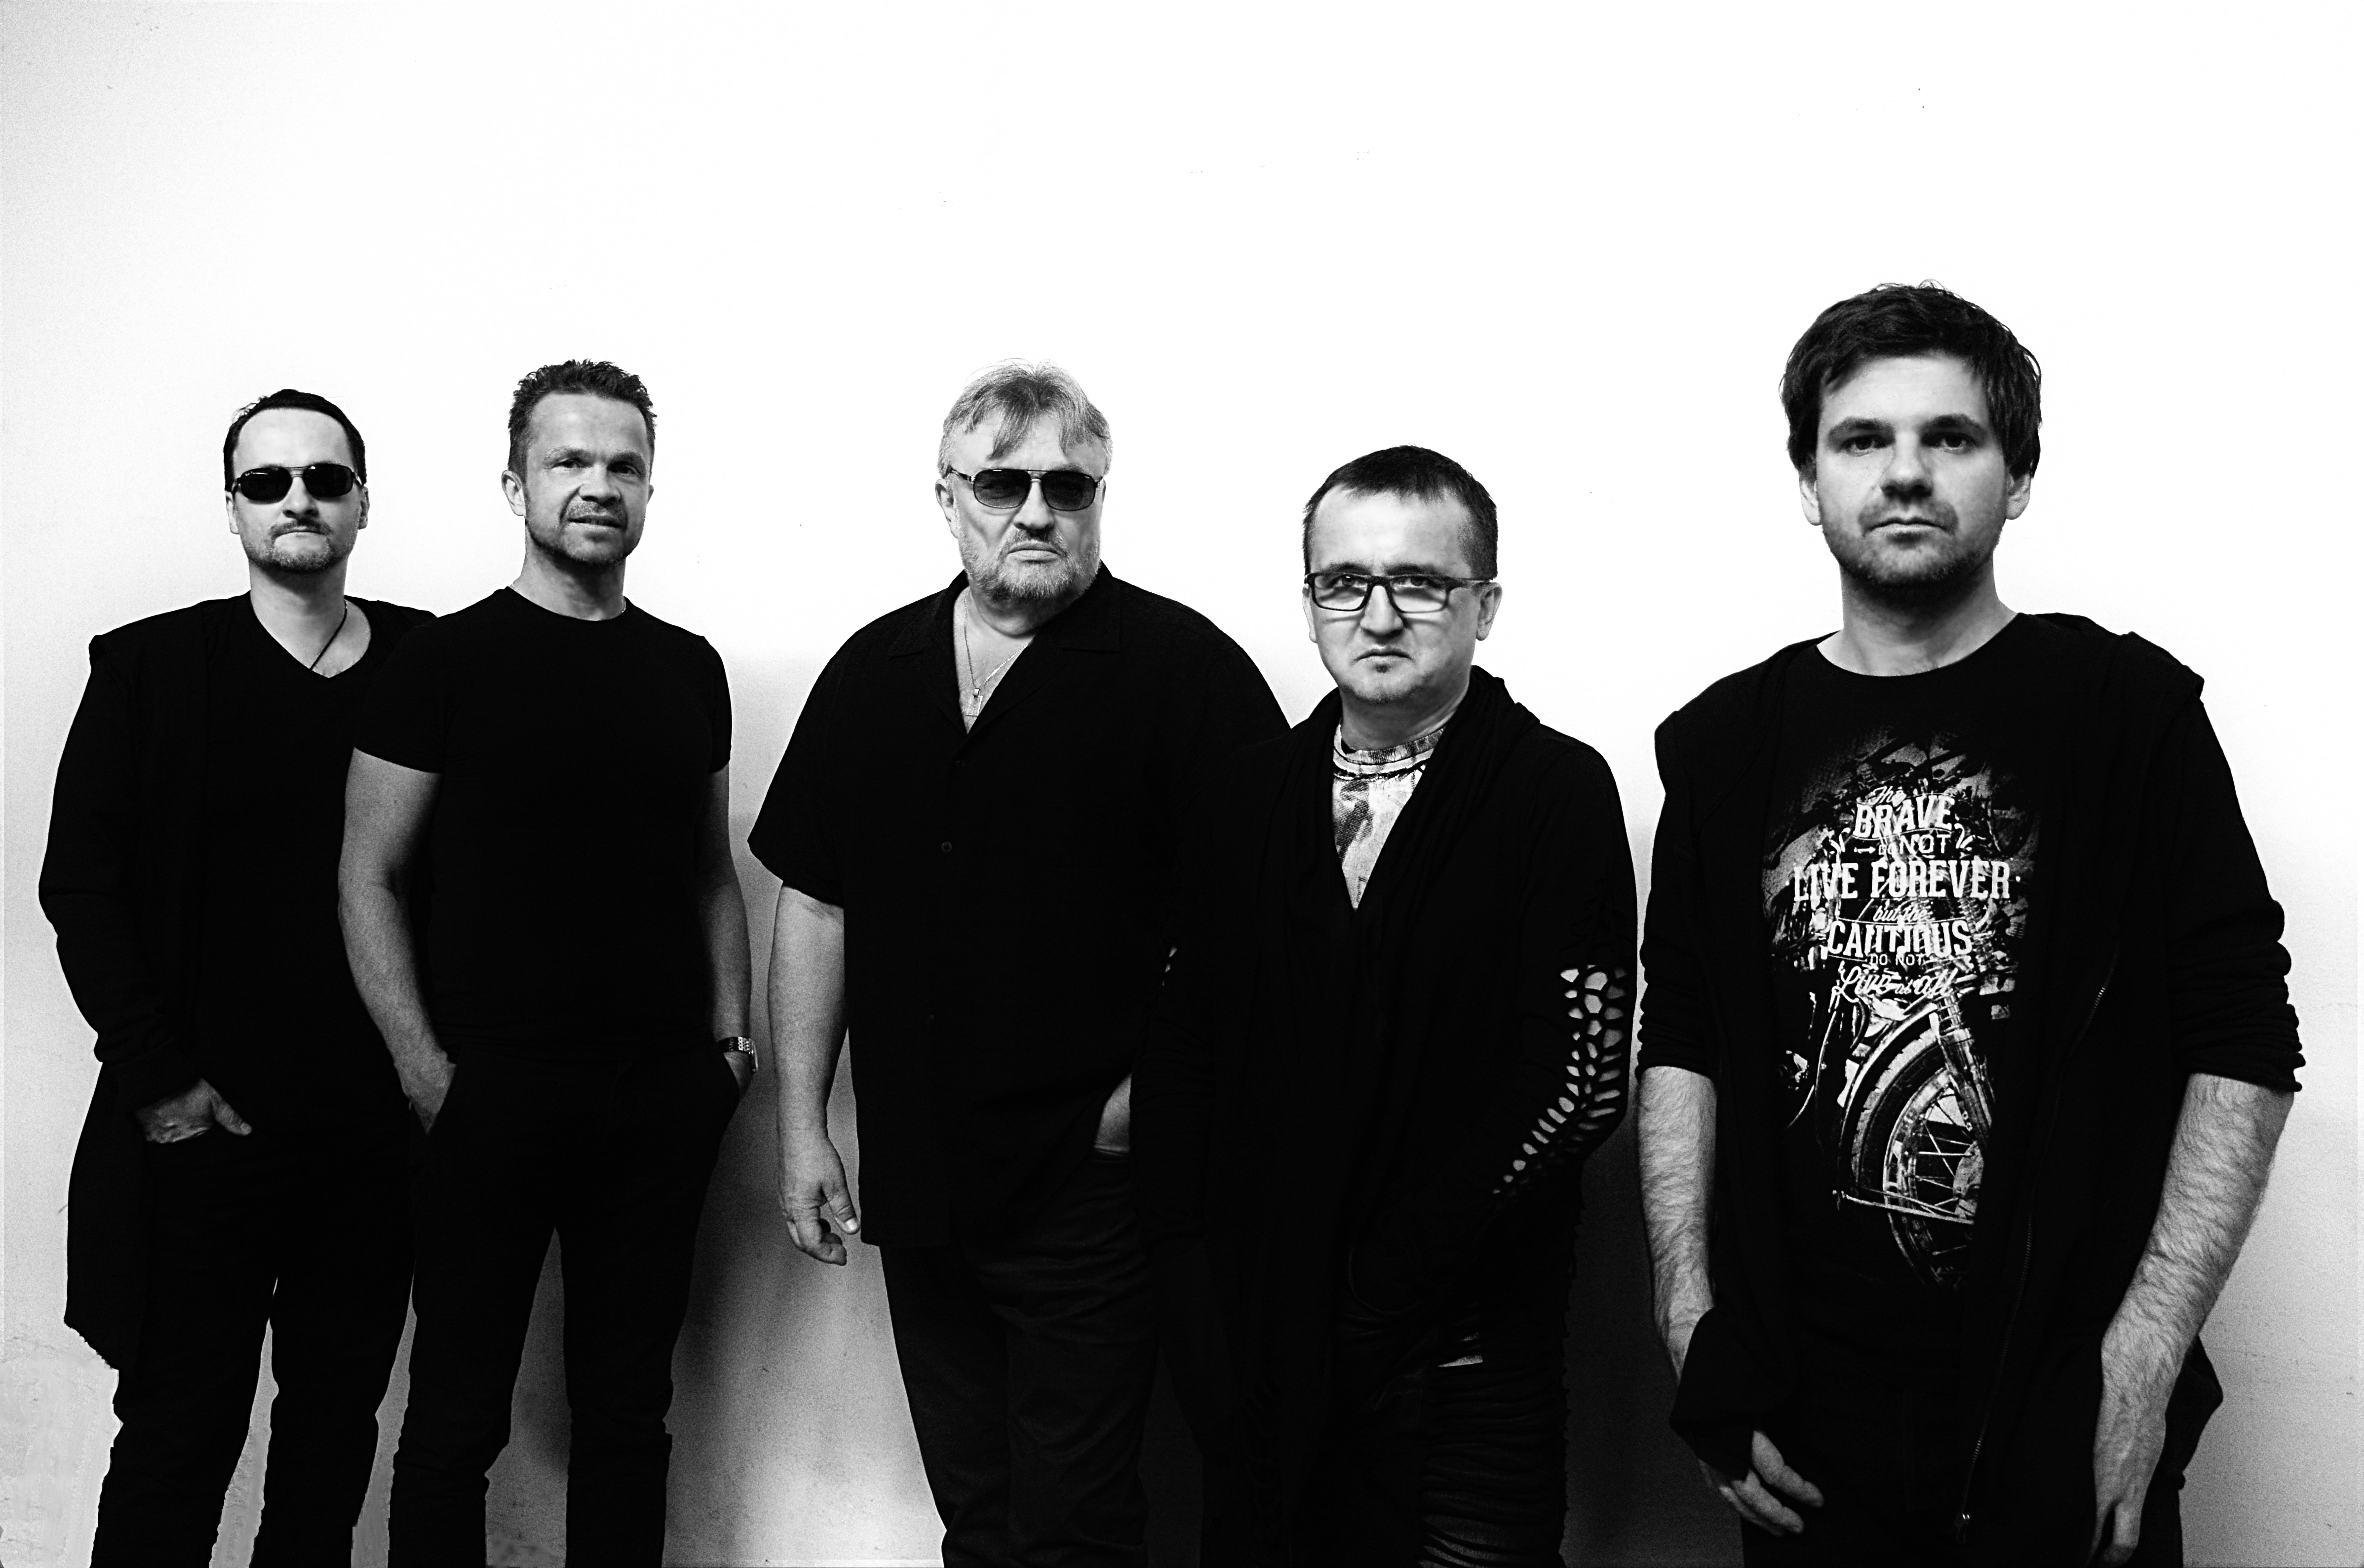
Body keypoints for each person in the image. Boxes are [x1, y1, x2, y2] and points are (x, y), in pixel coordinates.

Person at [1634, 283, 2303, 1567]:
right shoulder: (1720, 745)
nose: (1903, 471)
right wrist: (1688, 1319)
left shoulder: (2125, 714)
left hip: (2061, 1401)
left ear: (2017, 474)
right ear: (1807, 478)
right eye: (1860, 438)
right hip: (1802, 1413)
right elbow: (1684, 1038)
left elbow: (2241, 1032)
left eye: (1948, 436)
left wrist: (2146, 1347)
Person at [748, 361, 1284, 1566]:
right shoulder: (874, 670)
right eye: (1002, 483)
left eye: (1068, 485)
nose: (1037, 510)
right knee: (979, 1516)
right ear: (947, 497)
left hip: (1088, 1189)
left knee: (1074, 1526)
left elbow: (1264, 927)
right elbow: (819, 905)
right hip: (919, 1177)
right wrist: (801, 1128)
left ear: (1101, 498)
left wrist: (1140, 1107)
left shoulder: (1185, 674)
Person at [1133, 445, 1637, 1565]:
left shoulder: (1553, 790)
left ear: (1484, 605)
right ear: (1309, 599)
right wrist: (1186, 1278)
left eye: (1418, 581)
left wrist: (1378, 1291)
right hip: (1259, 1345)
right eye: (1343, 581)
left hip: (1464, 1356)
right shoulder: (1245, 793)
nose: (1377, 613)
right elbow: (1183, 1045)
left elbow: (1577, 1087)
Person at [339, 360, 752, 1567]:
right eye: (569, 460)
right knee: (456, 1411)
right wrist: (426, 1071)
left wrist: (730, 1048)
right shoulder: (440, 662)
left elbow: (708, 871)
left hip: (660, 1093)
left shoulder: (689, 666)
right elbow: (366, 876)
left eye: (624, 464)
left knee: (628, 1410)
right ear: (515, 483)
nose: (598, 484)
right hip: (492, 1091)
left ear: (649, 489)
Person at [39, 389, 432, 1565]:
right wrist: (157, 1078)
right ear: (232, 508)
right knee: (178, 1430)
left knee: (333, 1432)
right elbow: (82, 886)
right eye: (268, 481)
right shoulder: (152, 667)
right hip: (202, 1127)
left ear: (363, 500)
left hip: (374, 1135)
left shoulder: (432, 661)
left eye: (325, 477)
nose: (297, 499)